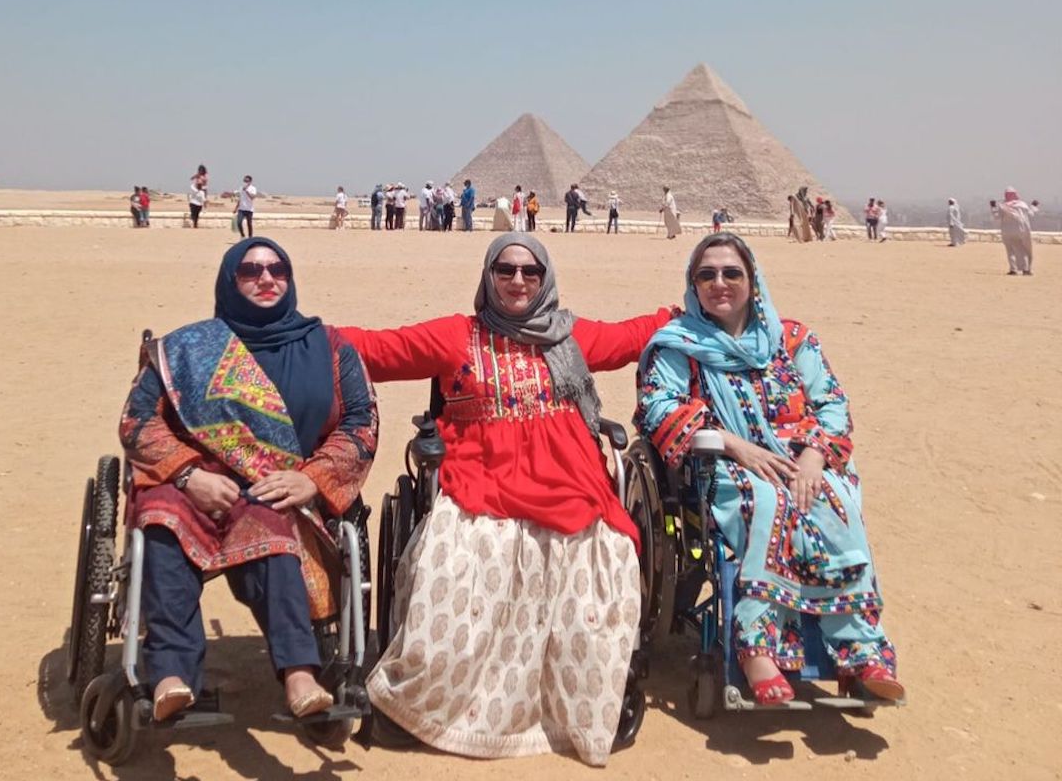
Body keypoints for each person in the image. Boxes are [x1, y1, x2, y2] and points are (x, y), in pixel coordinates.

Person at [339, 233, 675, 767]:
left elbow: (633, 336)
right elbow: (379, 349)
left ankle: (574, 706)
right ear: (488, 276)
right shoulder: (457, 336)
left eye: (530, 271)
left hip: (571, 486)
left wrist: (691, 308)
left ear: (546, 279)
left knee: (600, 562)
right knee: (459, 562)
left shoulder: (570, 337)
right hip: (482, 482)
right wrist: (296, 334)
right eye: (505, 269)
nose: (518, 280)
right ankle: (432, 705)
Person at [635, 232, 904, 708]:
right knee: (767, 501)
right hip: (722, 465)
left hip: (803, 460)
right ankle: (757, 648)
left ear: (752, 280)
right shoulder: (680, 345)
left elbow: (832, 405)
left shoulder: (793, 340)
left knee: (832, 500)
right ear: (693, 285)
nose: (719, 283)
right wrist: (734, 444)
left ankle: (861, 650)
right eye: (706, 275)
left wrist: (814, 456)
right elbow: (659, 407)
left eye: (731, 273)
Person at [119, 237, 379, 723]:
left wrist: (313, 479)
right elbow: (138, 422)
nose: (266, 279)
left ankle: (299, 672)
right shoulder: (185, 349)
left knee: (272, 524)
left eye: (277, 269)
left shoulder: (330, 348)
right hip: (192, 485)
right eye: (250, 271)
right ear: (229, 281)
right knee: (161, 521)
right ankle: (171, 673)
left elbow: (361, 424)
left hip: (281, 486)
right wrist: (188, 474)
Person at [991, 187, 1039, 275]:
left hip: (1007, 231)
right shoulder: (1022, 204)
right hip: (1021, 230)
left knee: (1010, 250)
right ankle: (1026, 269)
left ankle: (1013, 269)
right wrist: (1033, 206)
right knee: (1023, 249)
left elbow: (996, 216)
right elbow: (1030, 214)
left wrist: (993, 207)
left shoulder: (1003, 206)